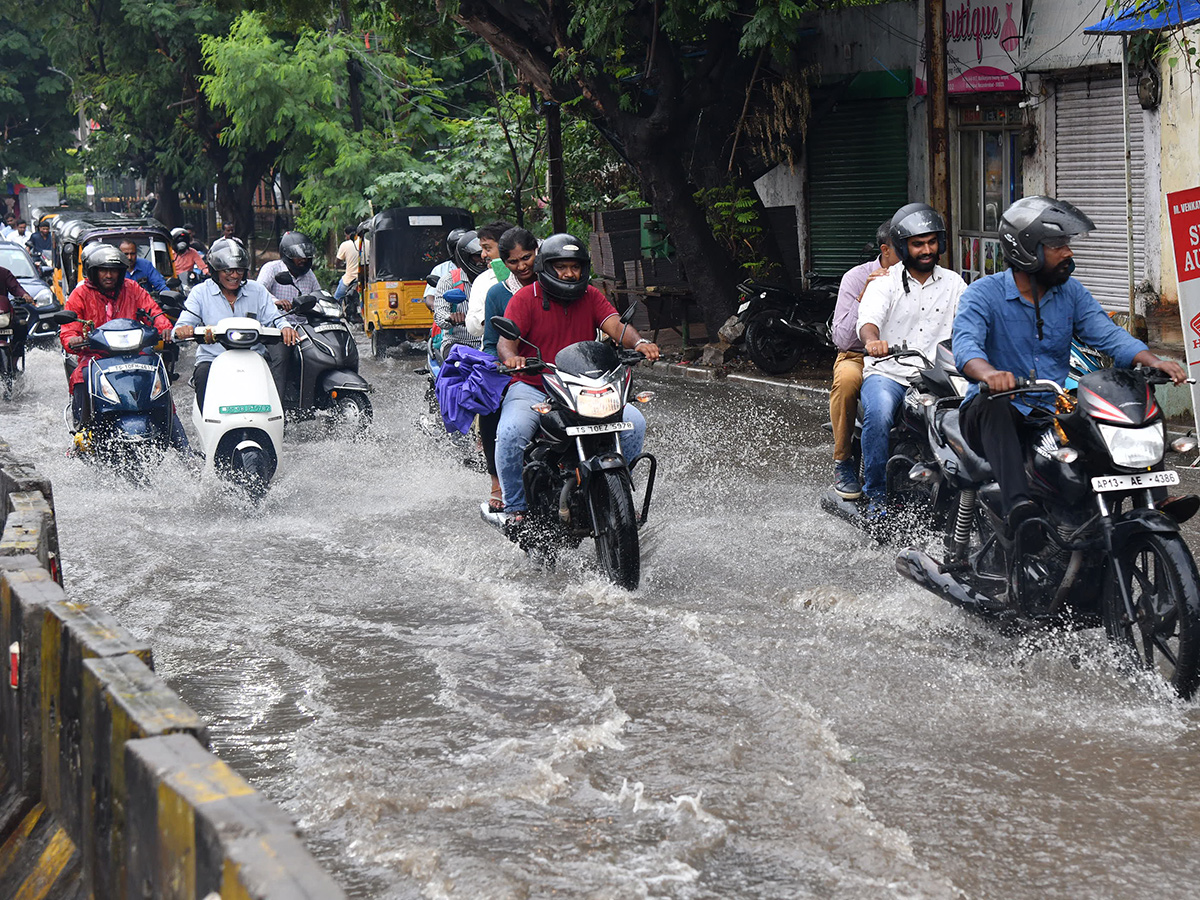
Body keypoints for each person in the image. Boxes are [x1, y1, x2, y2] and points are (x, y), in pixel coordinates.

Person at [952, 195, 1186, 533]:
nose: (1069, 253)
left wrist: (1152, 361)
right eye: (1058, 245)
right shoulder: (982, 294)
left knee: (1131, 402)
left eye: (1067, 244)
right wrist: (989, 374)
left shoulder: (1071, 293)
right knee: (994, 405)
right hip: (994, 413)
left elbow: (1107, 335)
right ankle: (1021, 509)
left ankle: (1153, 497)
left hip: (1051, 409)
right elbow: (966, 346)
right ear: (1026, 250)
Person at [489, 233, 660, 523]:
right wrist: (512, 358)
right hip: (535, 386)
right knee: (509, 435)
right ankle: (515, 507)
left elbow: (615, 325)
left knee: (635, 423)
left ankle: (618, 496)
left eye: (575, 266)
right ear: (546, 266)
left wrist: (640, 342)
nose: (569, 273)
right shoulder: (525, 298)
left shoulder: (591, 295)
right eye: (561, 266)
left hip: (585, 386)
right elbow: (506, 341)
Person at [857, 203, 966, 516]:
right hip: (889, 373)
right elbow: (868, 320)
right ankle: (876, 497)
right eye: (918, 243)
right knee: (878, 415)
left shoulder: (955, 284)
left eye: (932, 242)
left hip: (938, 375)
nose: (927, 249)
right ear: (903, 247)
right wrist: (873, 341)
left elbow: (971, 322)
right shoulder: (885, 283)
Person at [58, 244, 187, 448]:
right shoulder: (80, 293)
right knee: (81, 377)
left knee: (158, 377)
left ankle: (178, 440)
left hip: (136, 353)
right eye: (103, 270)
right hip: (96, 356)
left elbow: (153, 310)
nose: (109, 275)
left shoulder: (132, 288)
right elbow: (68, 328)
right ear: (93, 272)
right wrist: (72, 338)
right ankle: (81, 435)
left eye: (113, 270)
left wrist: (164, 327)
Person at [173, 239, 299, 410]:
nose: (235, 275)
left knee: (270, 393)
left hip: (253, 358)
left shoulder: (257, 291)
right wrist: (183, 329)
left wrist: (285, 328)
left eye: (239, 270)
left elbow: (274, 318)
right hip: (213, 359)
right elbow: (186, 320)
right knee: (202, 377)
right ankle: (209, 429)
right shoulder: (200, 293)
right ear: (215, 271)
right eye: (228, 270)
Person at [829, 221, 900, 500]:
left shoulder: (918, 277)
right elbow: (843, 338)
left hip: (907, 357)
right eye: (904, 247)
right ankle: (843, 461)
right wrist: (865, 296)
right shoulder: (856, 277)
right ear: (885, 250)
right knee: (847, 381)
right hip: (858, 355)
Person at [477, 227, 539, 511]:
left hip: (559, 370)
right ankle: (497, 482)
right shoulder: (497, 294)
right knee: (489, 406)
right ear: (504, 262)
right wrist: (501, 364)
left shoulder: (558, 284)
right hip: (516, 371)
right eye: (513, 262)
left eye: (526, 257)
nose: (522, 266)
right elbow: (491, 342)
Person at [430, 231, 485, 360]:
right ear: (465, 257)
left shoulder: (494, 278)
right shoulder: (449, 281)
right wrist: (450, 318)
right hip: (458, 342)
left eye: (484, 255)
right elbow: (440, 314)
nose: (482, 259)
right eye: (477, 256)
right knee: (459, 365)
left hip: (489, 343)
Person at [464, 219, 516, 335]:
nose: (483, 255)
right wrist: (491, 309)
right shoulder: (482, 281)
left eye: (487, 249)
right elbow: (472, 328)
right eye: (482, 249)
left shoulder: (528, 275)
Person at [257, 230, 320, 305]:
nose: (303, 259)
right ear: (287, 255)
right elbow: (259, 291)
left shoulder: (309, 274)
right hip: (278, 315)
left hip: (303, 316)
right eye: (298, 256)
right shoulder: (271, 268)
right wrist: (276, 301)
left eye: (306, 256)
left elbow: (318, 294)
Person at [423, 227, 468, 311]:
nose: (461, 252)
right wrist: (439, 309)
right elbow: (430, 297)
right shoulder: (440, 269)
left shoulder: (479, 268)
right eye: (457, 248)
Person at [333, 226, 359, 302]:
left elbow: (337, 263)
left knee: (336, 301)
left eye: (345, 236)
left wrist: (342, 266)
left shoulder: (345, 244)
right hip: (365, 280)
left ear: (349, 235)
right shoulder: (368, 242)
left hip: (349, 280)